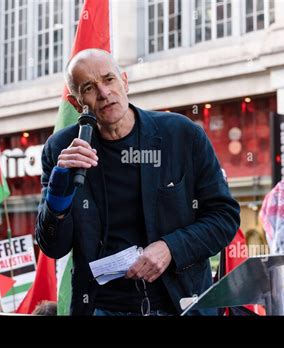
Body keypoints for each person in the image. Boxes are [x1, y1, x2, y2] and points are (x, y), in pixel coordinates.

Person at [35, 48, 240, 316]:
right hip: (101, 308)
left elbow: (224, 217)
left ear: (125, 81)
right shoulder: (61, 149)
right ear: (76, 104)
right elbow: (53, 247)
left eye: (109, 80)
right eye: (89, 87)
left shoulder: (181, 134)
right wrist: (58, 194)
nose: (104, 93)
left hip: (178, 304)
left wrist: (171, 248)